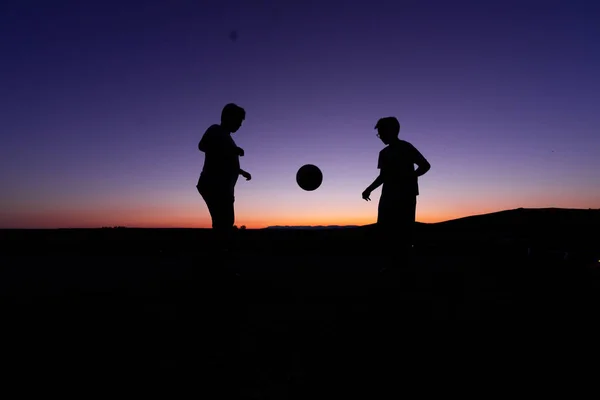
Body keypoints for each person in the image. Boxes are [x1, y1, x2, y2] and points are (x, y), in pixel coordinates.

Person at [362, 117, 431, 259]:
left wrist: (411, 176)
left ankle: (404, 265)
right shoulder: (384, 153)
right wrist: (369, 189)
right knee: (385, 230)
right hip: (388, 195)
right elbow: (383, 176)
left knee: (404, 231)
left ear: (392, 131)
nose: (380, 136)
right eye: (379, 134)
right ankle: (391, 264)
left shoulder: (407, 147)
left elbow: (425, 165)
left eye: (382, 132)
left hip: (406, 195)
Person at [197, 103, 252, 252]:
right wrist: (230, 149)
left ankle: (220, 255)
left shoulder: (227, 138)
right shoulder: (216, 130)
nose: (240, 125)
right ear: (228, 117)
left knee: (224, 223)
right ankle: (219, 258)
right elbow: (202, 145)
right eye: (238, 120)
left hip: (222, 187)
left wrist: (241, 172)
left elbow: (224, 161)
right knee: (224, 223)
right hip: (213, 184)